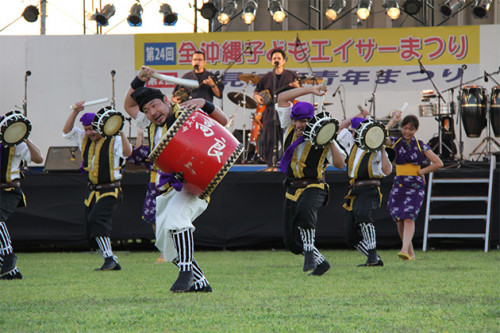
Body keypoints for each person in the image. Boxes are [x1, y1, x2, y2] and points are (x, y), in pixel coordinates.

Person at [124, 66, 228, 292]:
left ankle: (186, 272)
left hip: (193, 184)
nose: (151, 111)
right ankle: (201, 283)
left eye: (154, 105)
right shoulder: (151, 125)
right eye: (147, 109)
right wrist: (138, 80)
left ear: (165, 100)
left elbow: (223, 123)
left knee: (176, 218)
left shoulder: (187, 113)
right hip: (168, 188)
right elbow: (129, 105)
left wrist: (206, 105)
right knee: (164, 240)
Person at [276, 85, 346, 275]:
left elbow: (340, 164)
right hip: (292, 187)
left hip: (315, 186)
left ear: (312, 121)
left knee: (305, 211)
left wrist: (331, 140)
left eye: (304, 121)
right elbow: (282, 97)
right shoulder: (287, 127)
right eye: (296, 120)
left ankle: (309, 251)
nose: (299, 125)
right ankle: (320, 262)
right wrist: (310, 90)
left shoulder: (323, 137)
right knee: (291, 243)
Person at [62, 103, 132, 271]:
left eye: (91, 129)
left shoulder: (113, 140)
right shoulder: (84, 139)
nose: (89, 133)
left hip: (111, 189)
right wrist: (75, 111)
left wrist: (120, 130)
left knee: (97, 219)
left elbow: (128, 152)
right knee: (91, 222)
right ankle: (109, 258)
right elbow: (66, 132)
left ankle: (109, 258)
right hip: (94, 190)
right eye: (86, 129)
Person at [337, 112, 392, 267]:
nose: (355, 134)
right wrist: (356, 116)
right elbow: (340, 128)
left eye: (358, 131)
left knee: (362, 214)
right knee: (350, 236)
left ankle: (373, 255)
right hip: (354, 190)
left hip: (370, 187)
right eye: (355, 131)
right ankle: (374, 257)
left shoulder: (375, 148)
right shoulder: (352, 143)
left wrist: (382, 149)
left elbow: (387, 171)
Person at [385, 113, 443, 260]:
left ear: (415, 130)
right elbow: (379, 138)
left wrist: (421, 171)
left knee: (409, 217)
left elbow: (438, 163)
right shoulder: (395, 142)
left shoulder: (420, 144)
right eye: (405, 128)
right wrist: (392, 121)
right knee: (399, 220)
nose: (407, 132)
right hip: (399, 184)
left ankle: (404, 249)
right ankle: (410, 253)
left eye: (411, 129)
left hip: (415, 185)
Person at [0, 120, 43, 280]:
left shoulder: (14, 143)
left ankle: (8, 255)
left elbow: (38, 159)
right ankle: (11, 272)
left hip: (9, 190)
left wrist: (24, 137)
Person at [254, 48, 300, 169]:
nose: (277, 60)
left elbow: (299, 89)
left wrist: (296, 87)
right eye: (274, 58)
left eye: (279, 58)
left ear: (284, 61)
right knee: (269, 138)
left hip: (286, 110)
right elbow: (256, 92)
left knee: (287, 137)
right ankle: (270, 164)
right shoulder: (267, 77)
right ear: (271, 61)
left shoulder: (291, 75)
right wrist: (258, 98)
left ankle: (288, 164)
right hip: (270, 111)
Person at [126, 126, 164, 263]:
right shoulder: (151, 150)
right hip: (154, 184)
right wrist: (140, 134)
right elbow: (136, 156)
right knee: (154, 218)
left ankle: (176, 249)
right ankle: (164, 251)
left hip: (170, 183)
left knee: (171, 217)